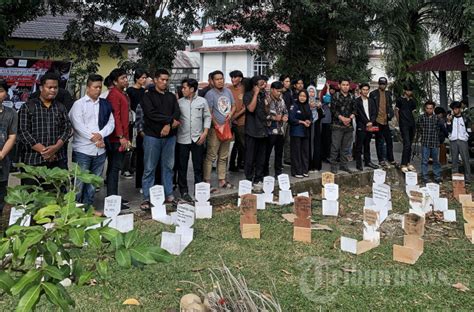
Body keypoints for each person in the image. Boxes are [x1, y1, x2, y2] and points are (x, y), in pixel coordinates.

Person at [69, 74, 115, 206]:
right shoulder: (78, 105)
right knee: (79, 182)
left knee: (93, 183)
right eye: (95, 87)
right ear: (88, 88)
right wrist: (94, 139)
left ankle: (88, 207)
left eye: (100, 87)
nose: (98, 90)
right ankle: (75, 209)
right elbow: (77, 125)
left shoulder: (105, 104)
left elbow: (111, 123)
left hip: (100, 151)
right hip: (83, 150)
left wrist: (100, 134)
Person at [140, 69, 180, 210]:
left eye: (167, 80)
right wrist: (169, 121)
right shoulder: (148, 96)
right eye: (162, 79)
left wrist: (168, 125)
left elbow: (177, 112)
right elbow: (151, 114)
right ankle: (146, 197)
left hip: (169, 138)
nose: (165, 82)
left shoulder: (171, 96)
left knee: (168, 167)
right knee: (150, 167)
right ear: (156, 80)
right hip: (152, 136)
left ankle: (169, 194)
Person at [18, 72, 72, 176]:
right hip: (33, 161)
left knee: (55, 191)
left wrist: (55, 148)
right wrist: (45, 151)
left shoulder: (60, 107)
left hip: (57, 160)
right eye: (50, 87)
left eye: (55, 87)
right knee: (32, 191)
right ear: (41, 88)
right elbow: (23, 132)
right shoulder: (28, 107)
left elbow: (67, 129)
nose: (53, 90)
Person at [176, 78, 211, 202]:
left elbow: (207, 117)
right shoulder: (179, 102)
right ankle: (184, 191)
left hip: (198, 138)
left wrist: (205, 133)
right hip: (182, 139)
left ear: (192, 89)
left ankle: (199, 191)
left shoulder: (202, 101)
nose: (182, 90)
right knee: (182, 167)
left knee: (198, 166)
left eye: (184, 88)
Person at [203, 70, 235, 191]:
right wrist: (217, 125)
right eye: (217, 79)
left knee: (223, 156)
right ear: (212, 81)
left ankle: (222, 180)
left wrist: (230, 115)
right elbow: (209, 112)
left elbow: (234, 106)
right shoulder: (210, 94)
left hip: (227, 128)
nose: (220, 81)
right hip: (214, 130)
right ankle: (207, 181)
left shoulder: (228, 91)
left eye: (221, 78)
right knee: (211, 156)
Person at [105, 68, 131, 209]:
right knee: (114, 169)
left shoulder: (122, 94)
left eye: (126, 77)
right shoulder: (114, 95)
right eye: (122, 78)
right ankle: (112, 199)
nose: (126, 80)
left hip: (122, 137)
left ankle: (114, 197)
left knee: (116, 168)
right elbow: (115, 116)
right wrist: (121, 136)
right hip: (116, 139)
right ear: (115, 81)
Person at [243, 75, 268, 187]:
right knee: (250, 156)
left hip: (262, 130)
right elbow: (251, 109)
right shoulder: (248, 95)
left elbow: (267, 111)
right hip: (252, 130)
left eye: (265, 83)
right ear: (255, 85)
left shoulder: (264, 95)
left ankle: (259, 178)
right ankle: (248, 178)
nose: (264, 85)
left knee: (261, 157)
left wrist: (266, 100)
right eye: (262, 83)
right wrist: (256, 94)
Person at [329, 79, 356, 174]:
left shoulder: (352, 96)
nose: (345, 86)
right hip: (337, 125)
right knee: (335, 147)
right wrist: (342, 118)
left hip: (348, 126)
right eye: (343, 84)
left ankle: (344, 165)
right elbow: (333, 110)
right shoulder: (335, 96)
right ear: (339, 85)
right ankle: (333, 165)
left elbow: (355, 110)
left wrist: (350, 118)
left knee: (346, 148)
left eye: (347, 84)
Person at [127, 69, 148, 188]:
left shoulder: (145, 91)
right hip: (134, 121)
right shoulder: (130, 90)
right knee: (135, 149)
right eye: (142, 78)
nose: (143, 80)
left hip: (143, 122)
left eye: (145, 78)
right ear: (137, 78)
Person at [370, 77, 396, 168]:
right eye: (381, 84)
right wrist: (372, 120)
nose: (382, 85)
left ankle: (391, 158)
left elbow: (390, 107)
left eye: (384, 84)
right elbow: (371, 107)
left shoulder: (388, 94)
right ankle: (380, 159)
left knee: (389, 141)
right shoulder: (373, 94)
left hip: (385, 121)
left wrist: (391, 114)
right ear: (378, 84)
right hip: (377, 121)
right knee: (379, 141)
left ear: (386, 84)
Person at [0, 79, 17, 214]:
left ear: (6, 93)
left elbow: (12, 136)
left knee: (1, 196)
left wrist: (1, 154)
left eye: (0, 91)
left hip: (2, 161)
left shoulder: (11, 113)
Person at [264, 81, 288, 177]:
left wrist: (285, 116)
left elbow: (286, 111)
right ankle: (265, 174)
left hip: (280, 131)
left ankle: (278, 173)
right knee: (267, 154)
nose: (279, 93)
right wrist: (274, 118)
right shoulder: (266, 100)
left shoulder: (282, 100)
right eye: (278, 91)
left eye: (281, 91)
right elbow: (263, 115)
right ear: (272, 89)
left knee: (279, 154)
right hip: (269, 131)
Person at [416, 101, 443, 183]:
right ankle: (425, 177)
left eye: (431, 108)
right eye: (427, 108)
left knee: (436, 161)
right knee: (424, 161)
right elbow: (419, 128)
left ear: (433, 109)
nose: (429, 110)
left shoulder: (437, 118)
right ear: (425, 108)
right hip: (425, 142)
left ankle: (437, 177)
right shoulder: (421, 118)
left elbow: (440, 129)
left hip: (435, 142)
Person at [354, 83, 379, 171]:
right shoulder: (357, 101)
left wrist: (371, 121)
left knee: (367, 144)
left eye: (367, 89)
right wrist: (366, 122)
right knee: (359, 145)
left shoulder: (371, 101)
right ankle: (358, 163)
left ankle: (368, 161)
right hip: (361, 125)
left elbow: (374, 112)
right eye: (363, 89)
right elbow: (359, 114)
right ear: (360, 90)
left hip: (370, 125)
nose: (365, 91)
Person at [447, 101, 471, 184]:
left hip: (463, 141)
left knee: (465, 159)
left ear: (460, 109)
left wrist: (466, 137)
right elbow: (448, 130)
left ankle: (468, 178)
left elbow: (469, 129)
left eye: (456, 109)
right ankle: (455, 177)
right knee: (454, 160)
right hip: (453, 140)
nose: (455, 110)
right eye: (453, 109)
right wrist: (449, 122)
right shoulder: (451, 118)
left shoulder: (465, 118)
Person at [289, 89, 312, 178]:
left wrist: (309, 121)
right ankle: (297, 171)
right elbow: (291, 118)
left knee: (305, 152)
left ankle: (304, 170)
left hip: (305, 132)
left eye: (304, 96)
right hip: (296, 132)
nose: (302, 98)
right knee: (296, 152)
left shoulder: (307, 106)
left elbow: (310, 117)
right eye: (301, 96)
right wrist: (302, 122)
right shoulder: (294, 105)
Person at [395, 84, 417, 173]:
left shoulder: (413, 101)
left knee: (410, 144)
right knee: (406, 144)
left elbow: (414, 113)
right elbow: (396, 111)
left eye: (410, 90)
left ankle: (408, 162)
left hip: (412, 124)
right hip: (404, 124)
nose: (409, 92)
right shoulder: (400, 100)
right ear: (404, 91)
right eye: (407, 90)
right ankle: (403, 164)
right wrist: (399, 122)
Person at [228, 70, 245, 172]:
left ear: (240, 79)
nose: (233, 79)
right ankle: (231, 165)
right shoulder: (228, 89)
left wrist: (236, 116)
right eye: (232, 77)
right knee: (231, 144)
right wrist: (231, 117)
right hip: (229, 121)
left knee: (241, 144)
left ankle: (240, 163)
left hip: (241, 121)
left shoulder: (244, 89)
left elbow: (246, 106)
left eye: (235, 77)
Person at [307, 85, 324, 172]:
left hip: (316, 126)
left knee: (316, 145)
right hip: (307, 127)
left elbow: (322, 116)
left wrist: (319, 108)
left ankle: (316, 165)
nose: (311, 93)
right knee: (308, 146)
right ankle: (308, 166)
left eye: (313, 91)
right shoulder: (305, 102)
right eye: (309, 91)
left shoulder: (318, 102)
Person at [280, 74, 293, 165]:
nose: (288, 83)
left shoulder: (290, 92)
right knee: (280, 140)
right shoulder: (279, 92)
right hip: (281, 119)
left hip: (289, 118)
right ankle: (278, 160)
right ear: (282, 82)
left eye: (289, 81)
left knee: (288, 140)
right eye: (286, 81)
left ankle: (287, 158)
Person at [320, 83, 335, 162]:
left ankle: (327, 155)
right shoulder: (324, 96)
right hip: (324, 121)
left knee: (329, 140)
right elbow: (327, 99)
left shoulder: (333, 97)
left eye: (333, 89)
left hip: (330, 121)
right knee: (325, 139)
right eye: (330, 89)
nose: (332, 91)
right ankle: (324, 156)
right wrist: (328, 88)